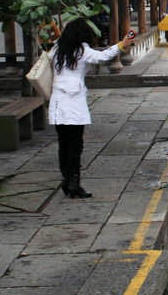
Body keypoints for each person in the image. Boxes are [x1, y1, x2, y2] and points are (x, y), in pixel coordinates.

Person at [48, 18, 135, 198]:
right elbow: (102, 57)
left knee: (63, 143)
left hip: (57, 102)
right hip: (73, 103)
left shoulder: (57, 50)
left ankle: (67, 180)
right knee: (75, 144)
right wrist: (121, 45)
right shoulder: (81, 51)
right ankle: (74, 182)